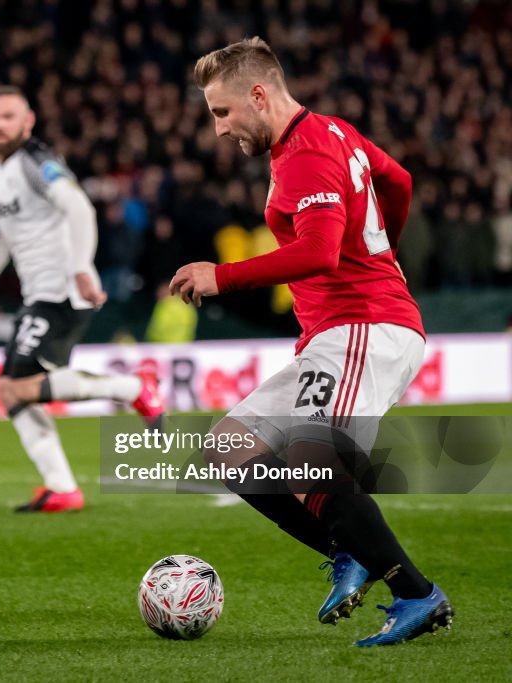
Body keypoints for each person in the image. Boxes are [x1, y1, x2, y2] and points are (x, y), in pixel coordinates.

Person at [169, 37, 452, 647]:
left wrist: (222, 275)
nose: (218, 129)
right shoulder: (334, 133)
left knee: (319, 470)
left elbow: (321, 252)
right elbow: (397, 180)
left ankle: (416, 594)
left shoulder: (303, 154)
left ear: (258, 94)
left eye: (222, 112)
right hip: (348, 329)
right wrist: (383, 251)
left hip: (362, 326)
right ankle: (349, 550)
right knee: (228, 448)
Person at [0, 86, 165, 513]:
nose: (0, 125)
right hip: (39, 294)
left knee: (15, 388)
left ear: (28, 121)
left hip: (61, 290)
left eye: (8, 116)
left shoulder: (38, 161)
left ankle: (134, 387)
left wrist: (79, 267)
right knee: (11, 392)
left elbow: (79, 208)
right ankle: (61, 487)